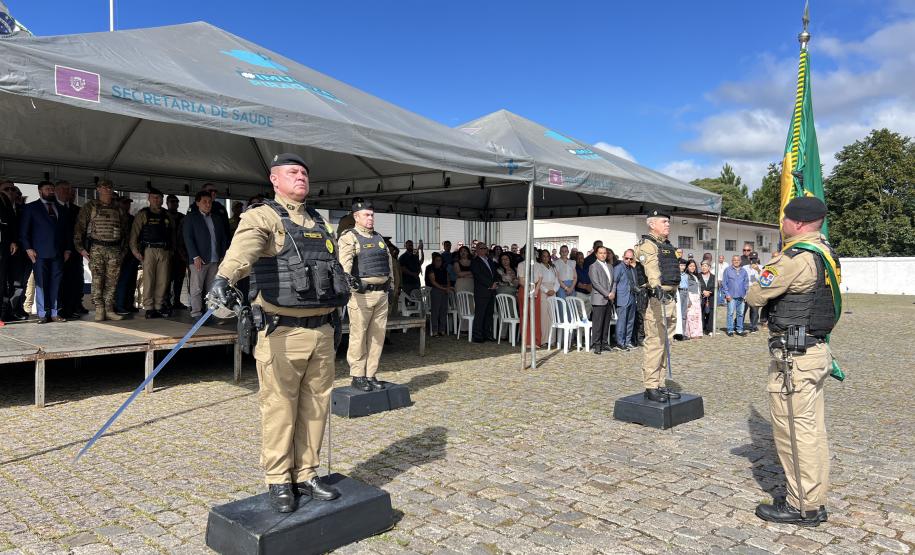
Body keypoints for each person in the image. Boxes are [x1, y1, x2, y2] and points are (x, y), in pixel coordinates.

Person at [209, 153, 348, 512]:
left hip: (322, 332)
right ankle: (278, 480)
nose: (301, 177)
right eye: (292, 172)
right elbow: (244, 249)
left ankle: (306, 473)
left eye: (304, 172)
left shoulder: (321, 221)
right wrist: (225, 278)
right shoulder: (263, 217)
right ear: (274, 179)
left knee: (316, 407)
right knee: (279, 408)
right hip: (282, 332)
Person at [746, 196, 837, 527]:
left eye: (784, 219)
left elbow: (756, 295)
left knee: (794, 433)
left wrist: (768, 269)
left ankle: (802, 507)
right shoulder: (826, 254)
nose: (781, 224)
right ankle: (814, 499)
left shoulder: (794, 258)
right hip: (815, 352)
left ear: (797, 223)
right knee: (812, 430)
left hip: (793, 359)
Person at [338, 198, 394, 392]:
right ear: (356, 216)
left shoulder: (379, 238)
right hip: (361, 296)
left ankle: (370, 374)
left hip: (381, 295)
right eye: (366, 215)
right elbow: (344, 265)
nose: (370, 218)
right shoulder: (349, 237)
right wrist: (349, 284)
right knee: (358, 337)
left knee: (377, 337)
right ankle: (357, 375)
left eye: (372, 214)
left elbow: (389, 265)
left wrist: (391, 286)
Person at [634, 210, 681, 403]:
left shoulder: (666, 246)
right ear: (652, 224)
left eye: (669, 222)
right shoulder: (647, 245)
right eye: (664, 221)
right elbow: (652, 269)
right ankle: (651, 386)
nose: (668, 224)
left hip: (670, 299)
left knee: (666, 345)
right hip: (656, 300)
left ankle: (660, 384)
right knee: (655, 344)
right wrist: (656, 287)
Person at [73, 180, 128, 321]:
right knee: (97, 280)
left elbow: (125, 231)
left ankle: (109, 309)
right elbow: (79, 228)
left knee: (112, 281)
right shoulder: (90, 206)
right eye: (104, 187)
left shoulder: (118, 208)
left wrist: (123, 251)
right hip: (97, 248)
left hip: (114, 249)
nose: (107, 190)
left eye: (109, 187)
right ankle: (99, 309)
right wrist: (81, 249)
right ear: (98, 189)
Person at [18, 181, 72, 323]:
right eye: (48, 189)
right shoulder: (31, 208)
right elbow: (24, 231)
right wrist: (28, 248)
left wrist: (67, 249)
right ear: (40, 191)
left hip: (58, 253)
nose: (51, 191)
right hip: (38, 253)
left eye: (52, 189)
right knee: (41, 283)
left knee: (56, 283)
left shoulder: (61, 208)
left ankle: (55, 313)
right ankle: (42, 314)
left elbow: (67, 231)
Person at [129, 188, 174, 318]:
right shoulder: (143, 214)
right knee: (149, 279)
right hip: (148, 250)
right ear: (149, 198)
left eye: (159, 197)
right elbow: (134, 234)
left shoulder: (167, 215)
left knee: (163, 280)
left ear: (162, 199)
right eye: (153, 197)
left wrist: (172, 250)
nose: (156, 200)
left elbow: (172, 234)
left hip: (164, 250)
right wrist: (135, 251)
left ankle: (159, 306)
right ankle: (149, 307)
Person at [183, 191, 229, 318]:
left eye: (209, 202)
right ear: (197, 203)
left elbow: (223, 238)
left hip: (215, 259)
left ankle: (211, 312)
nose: (208, 204)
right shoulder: (191, 218)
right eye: (204, 202)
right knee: (197, 288)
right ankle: (196, 312)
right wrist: (195, 256)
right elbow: (188, 238)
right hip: (199, 259)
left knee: (212, 288)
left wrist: (223, 254)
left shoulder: (216, 218)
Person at [55, 181, 86, 319]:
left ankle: (72, 307)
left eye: (70, 191)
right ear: (56, 191)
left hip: (74, 252)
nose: (68, 193)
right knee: (60, 282)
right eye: (64, 190)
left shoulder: (77, 210)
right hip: (57, 251)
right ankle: (60, 309)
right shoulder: (52, 207)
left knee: (74, 281)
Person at [114, 196, 139, 315]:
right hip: (119, 254)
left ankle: (129, 304)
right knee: (122, 281)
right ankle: (120, 305)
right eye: (124, 203)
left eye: (128, 203)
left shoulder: (132, 218)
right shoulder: (115, 218)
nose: (127, 206)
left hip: (132, 254)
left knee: (131, 281)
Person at [588, 246, 614, 354]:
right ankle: (596, 344)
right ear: (596, 254)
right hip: (599, 298)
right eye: (601, 253)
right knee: (598, 323)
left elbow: (614, 281)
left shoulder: (610, 266)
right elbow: (596, 283)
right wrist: (607, 293)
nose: (603, 255)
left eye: (605, 253)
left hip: (609, 298)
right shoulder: (593, 266)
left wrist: (613, 292)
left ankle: (604, 343)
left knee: (606, 322)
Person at [165, 194, 188, 310]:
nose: (174, 204)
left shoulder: (182, 218)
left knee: (179, 278)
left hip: (180, 253)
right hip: (168, 252)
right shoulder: (164, 216)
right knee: (167, 279)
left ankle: (177, 301)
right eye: (172, 202)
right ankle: (166, 301)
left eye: (176, 202)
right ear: (167, 203)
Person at [612, 249, 639, 350]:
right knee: (622, 321)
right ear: (623, 257)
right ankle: (620, 342)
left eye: (631, 259)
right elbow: (614, 282)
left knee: (630, 321)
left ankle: (628, 341)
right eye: (626, 258)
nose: (628, 260)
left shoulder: (632, 269)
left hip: (632, 297)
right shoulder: (618, 268)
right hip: (622, 298)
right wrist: (613, 294)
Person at [470, 243, 497, 343]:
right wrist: (490, 284)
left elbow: (494, 273)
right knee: (480, 314)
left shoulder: (489, 260)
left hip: (491, 291)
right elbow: (478, 275)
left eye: (485, 248)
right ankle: (477, 335)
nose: (484, 250)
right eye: (481, 248)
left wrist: (495, 282)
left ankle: (487, 334)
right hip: (482, 291)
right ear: (477, 250)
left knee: (489, 313)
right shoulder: (475, 262)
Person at [0, 180, 19, 323]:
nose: (10, 192)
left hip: (11, 252)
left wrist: (13, 241)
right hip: (3, 249)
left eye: (13, 189)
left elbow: (11, 226)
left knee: (10, 283)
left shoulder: (10, 204)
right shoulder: (2, 201)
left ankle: (7, 312)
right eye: (7, 189)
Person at [534, 249, 559, 347]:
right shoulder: (538, 266)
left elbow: (557, 280)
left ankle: (552, 339)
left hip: (553, 291)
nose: (545, 258)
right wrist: (546, 291)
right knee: (544, 317)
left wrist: (554, 290)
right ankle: (544, 340)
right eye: (543, 256)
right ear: (540, 257)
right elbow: (537, 282)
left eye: (547, 256)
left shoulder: (553, 267)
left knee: (552, 316)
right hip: (543, 292)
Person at [425, 252, 452, 336]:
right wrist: (444, 288)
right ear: (433, 260)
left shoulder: (444, 268)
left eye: (440, 260)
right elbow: (433, 281)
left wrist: (447, 287)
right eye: (437, 260)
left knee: (444, 310)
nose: (438, 262)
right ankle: (435, 330)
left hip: (444, 289)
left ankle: (442, 329)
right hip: (436, 289)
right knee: (435, 310)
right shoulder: (430, 267)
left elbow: (448, 279)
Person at [721, 254, 749, 336]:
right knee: (730, 313)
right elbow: (724, 283)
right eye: (734, 260)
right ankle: (730, 330)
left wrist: (746, 294)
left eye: (738, 260)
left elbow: (746, 283)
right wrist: (727, 294)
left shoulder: (744, 271)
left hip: (741, 296)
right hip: (731, 296)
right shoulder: (728, 270)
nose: (736, 261)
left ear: (740, 261)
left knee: (740, 314)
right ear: (732, 261)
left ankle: (739, 329)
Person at [684, 260, 703, 339]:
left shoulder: (695, 276)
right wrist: (688, 299)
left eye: (694, 266)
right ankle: (691, 333)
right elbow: (686, 288)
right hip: (691, 296)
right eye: (691, 266)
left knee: (697, 316)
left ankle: (697, 332)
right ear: (687, 267)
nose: (692, 267)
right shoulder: (686, 276)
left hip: (697, 298)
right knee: (691, 315)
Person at [743, 251, 761, 332]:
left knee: (754, 310)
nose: (753, 260)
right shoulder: (745, 267)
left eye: (754, 259)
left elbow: (765, 279)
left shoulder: (761, 267)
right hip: (746, 291)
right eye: (751, 259)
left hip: (755, 292)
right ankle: (739, 324)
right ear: (748, 258)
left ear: (757, 259)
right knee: (743, 309)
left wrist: (758, 270)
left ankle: (753, 326)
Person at [698, 260, 716, 335]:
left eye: (706, 266)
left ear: (709, 267)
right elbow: (696, 286)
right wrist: (703, 291)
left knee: (710, 313)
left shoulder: (713, 277)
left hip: (710, 297)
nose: (704, 268)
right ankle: (701, 328)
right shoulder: (698, 276)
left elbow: (716, 287)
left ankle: (709, 329)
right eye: (702, 266)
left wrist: (709, 292)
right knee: (701, 312)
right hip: (701, 297)